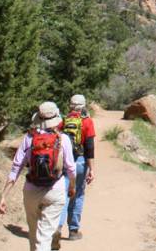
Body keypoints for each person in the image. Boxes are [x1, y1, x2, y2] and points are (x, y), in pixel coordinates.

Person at [0, 101, 76, 251]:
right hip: (55, 190)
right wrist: (72, 187)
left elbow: (16, 167)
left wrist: (3, 196)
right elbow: (71, 169)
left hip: (31, 191)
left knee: (34, 236)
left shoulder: (29, 138)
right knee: (44, 237)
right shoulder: (63, 139)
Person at [56, 94, 96, 242]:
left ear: (70, 105)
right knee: (77, 194)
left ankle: (57, 229)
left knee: (63, 195)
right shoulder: (87, 122)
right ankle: (73, 231)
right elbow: (90, 148)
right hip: (80, 162)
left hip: (65, 162)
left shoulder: (64, 121)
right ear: (83, 106)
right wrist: (91, 169)